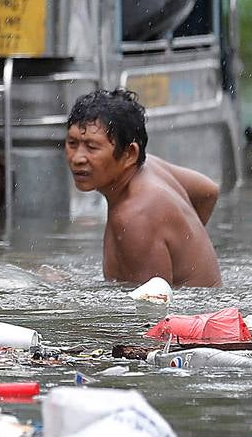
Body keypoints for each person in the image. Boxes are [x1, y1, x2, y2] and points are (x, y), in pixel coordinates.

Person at [65, 87, 221, 287]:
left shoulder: (135, 216)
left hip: (192, 316)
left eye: (92, 147)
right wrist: (184, 248)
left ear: (129, 154)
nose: (77, 158)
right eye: (72, 143)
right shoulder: (150, 167)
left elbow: (146, 312)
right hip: (209, 311)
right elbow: (208, 191)